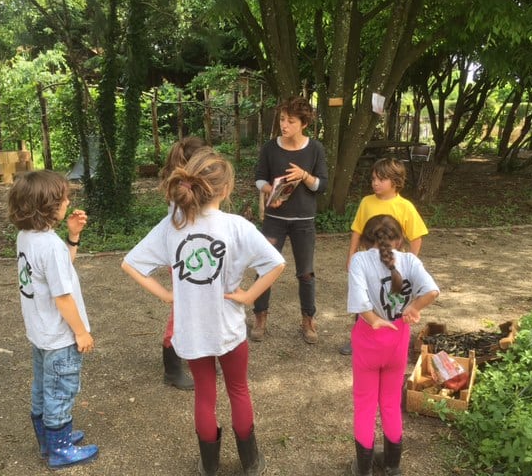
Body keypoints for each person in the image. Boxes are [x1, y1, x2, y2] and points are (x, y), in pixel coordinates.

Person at [122, 149, 285, 476]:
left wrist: (169, 296)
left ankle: (209, 465)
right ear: (224, 190)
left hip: (191, 331)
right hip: (229, 330)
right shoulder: (236, 226)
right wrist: (249, 295)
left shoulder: (172, 226)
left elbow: (131, 264)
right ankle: (250, 462)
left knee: (205, 396)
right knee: (238, 390)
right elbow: (276, 263)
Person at [7, 170, 98, 469]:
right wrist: (81, 332)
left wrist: (73, 237)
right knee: (60, 390)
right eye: (63, 198)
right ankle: (59, 451)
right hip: (60, 338)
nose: (68, 202)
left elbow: (56, 273)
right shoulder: (49, 245)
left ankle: (49, 441)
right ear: (47, 206)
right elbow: (63, 296)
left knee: (43, 387)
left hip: (40, 333)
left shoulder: (27, 238)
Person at [347, 214, 439, 476]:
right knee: (390, 402)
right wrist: (413, 307)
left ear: (366, 239)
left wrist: (374, 320)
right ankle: (392, 466)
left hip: (368, 340)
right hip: (398, 339)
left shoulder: (360, 260)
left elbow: (359, 303)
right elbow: (432, 290)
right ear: (399, 240)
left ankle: (363, 468)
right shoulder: (410, 260)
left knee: (365, 405)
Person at [252, 95, 328, 344]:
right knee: (265, 268)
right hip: (274, 219)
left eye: (290, 121)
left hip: (304, 221)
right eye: (282, 119)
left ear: (303, 123)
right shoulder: (270, 148)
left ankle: (308, 320)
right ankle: (260, 317)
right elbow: (259, 178)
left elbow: (322, 185)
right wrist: (269, 191)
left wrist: (304, 175)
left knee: (305, 273)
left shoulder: (315, 149)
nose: (284, 125)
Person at [339, 157, 428, 355]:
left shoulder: (405, 207)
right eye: (373, 179)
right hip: (369, 264)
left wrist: (409, 264)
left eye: (381, 179)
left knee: (393, 301)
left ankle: (394, 337)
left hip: (393, 267)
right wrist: (351, 255)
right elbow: (357, 230)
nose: (375, 183)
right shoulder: (366, 202)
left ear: (395, 182)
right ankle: (359, 337)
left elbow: (417, 237)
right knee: (364, 297)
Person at [158, 136, 207, 390]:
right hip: (183, 259)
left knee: (198, 306)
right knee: (181, 311)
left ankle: (195, 353)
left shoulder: (187, 184)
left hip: (194, 256)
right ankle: (172, 369)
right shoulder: (183, 189)